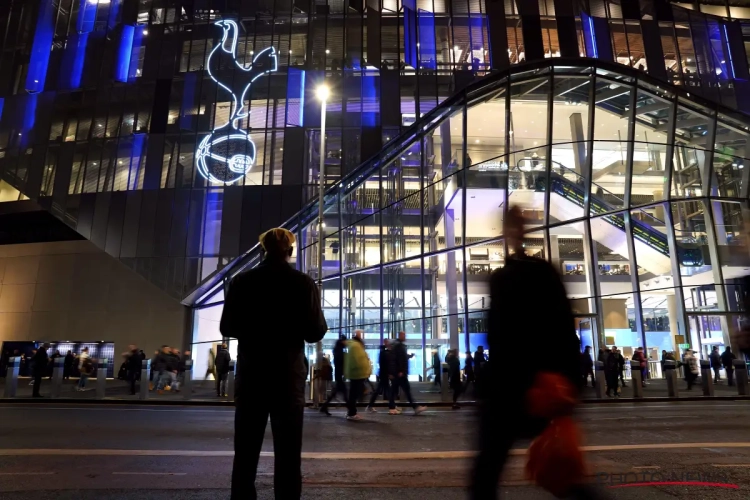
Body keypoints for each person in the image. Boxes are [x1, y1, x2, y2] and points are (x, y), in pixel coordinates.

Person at [470, 206, 587, 500]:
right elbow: (564, 329)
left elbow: (499, 336)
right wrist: (570, 382)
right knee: (559, 472)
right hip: (537, 384)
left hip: (515, 388)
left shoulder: (509, 277)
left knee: (487, 473)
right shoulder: (539, 273)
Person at [220, 227, 327, 500]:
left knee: (245, 453)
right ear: (290, 252)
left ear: (263, 250)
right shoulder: (303, 283)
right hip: (287, 378)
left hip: (252, 375)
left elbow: (227, 325)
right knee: (289, 455)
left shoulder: (242, 281)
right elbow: (315, 332)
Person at [389, 331, 427, 416]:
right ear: (400, 336)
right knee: (405, 390)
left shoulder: (399, 345)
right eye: (404, 335)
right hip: (400, 373)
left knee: (395, 390)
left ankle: (392, 407)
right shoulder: (398, 345)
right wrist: (400, 371)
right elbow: (396, 359)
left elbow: (402, 358)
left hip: (399, 373)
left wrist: (409, 356)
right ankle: (415, 407)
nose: (405, 336)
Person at [345, 331, 371, 421]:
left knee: (354, 394)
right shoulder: (356, 346)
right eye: (361, 335)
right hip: (357, 374)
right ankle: (351, 413)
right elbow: (358, 361)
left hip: (357, 374)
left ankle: (352, 412)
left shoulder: (355, 345)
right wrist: (365, 369)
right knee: (354, 394)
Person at [320, 334, 349, 415]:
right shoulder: (340, 352)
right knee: (344, 393)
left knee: (336, 393)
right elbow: (341, 364)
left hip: (338, 375)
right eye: (345, 341)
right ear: (342, 341)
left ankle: (324, 407)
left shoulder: (337, 350)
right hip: (339, 375)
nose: (347, 342)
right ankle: (351, 410)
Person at [367, 339, 393, 412]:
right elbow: (385, 364)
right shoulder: (384, 352)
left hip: (383, 374)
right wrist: (389, 373)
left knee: (380, 390)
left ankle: (370, 405)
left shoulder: (383, 351)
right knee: (387, 390)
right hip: (384, 374)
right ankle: (392, 407)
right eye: (387, 342)